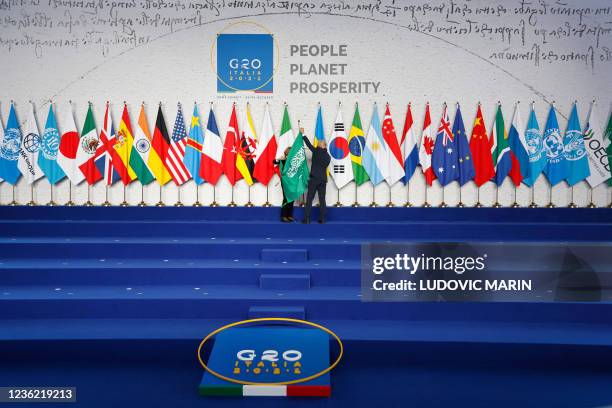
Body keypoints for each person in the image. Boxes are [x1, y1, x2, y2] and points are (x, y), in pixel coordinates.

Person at [302, 129, 331, 224]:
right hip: (323, 180)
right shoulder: (328, 156)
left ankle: (306, 219)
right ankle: (322, 219)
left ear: (320, 145)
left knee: (309, 199)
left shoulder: (316, 151)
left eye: (318, 143)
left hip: (314, 179)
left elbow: (309, 144)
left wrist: (303, 134)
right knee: (322, 200)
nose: (317, 144)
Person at [274, 147, 294, 222]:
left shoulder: (293, 161)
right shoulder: (283, 160)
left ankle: (289, 215)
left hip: (292, 182)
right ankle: (283, 215)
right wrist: (278, 159)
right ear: (286, 153)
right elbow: (274, 162)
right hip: (285, 181)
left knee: (292, 198)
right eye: (289, 153)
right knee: (286, 198)